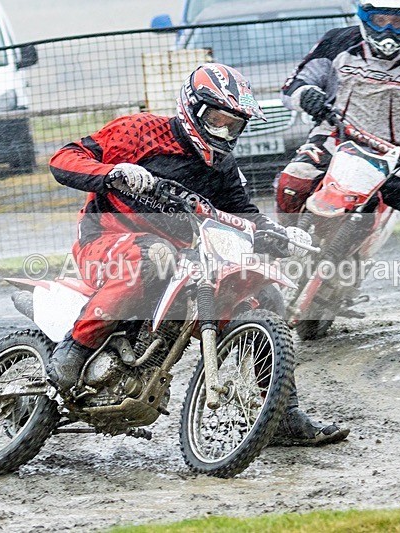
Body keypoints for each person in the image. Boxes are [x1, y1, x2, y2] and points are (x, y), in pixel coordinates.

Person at [47, 63, 349, 447]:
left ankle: (280, 412)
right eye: (217, 119)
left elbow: (243, 215)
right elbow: (65, 157)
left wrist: (276, 234)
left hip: (183, 255)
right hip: (104, 239)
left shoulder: (222, 166)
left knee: (264, 296)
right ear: (192, 108)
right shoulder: (139, 130)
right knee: (153, 254)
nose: (224, 132)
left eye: (233, 125)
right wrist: (113, 173)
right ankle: (76, 347)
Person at [275, 0, 400, 336]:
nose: (387, 30)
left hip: (394, 158)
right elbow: (292, 84)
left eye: (398, 22)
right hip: (332, 140)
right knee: (292, 181)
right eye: (380, 20)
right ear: (364, 18)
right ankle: (284, 256)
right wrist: (307, 95)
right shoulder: (337, 42)